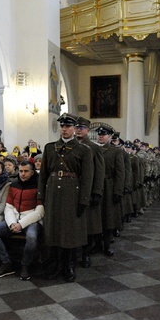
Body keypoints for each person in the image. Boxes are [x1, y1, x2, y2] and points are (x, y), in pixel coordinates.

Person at [38, 113, 94, 282]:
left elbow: (87, 177)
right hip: (53, 192)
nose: (64, 129)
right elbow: (44, 175)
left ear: (74, 128)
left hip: (72, 192)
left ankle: (69, 265)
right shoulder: (49, 148)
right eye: (62, 126)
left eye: (68, 126)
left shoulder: (84, 150)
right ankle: (56, 264)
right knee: (54, 229)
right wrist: (41, 196)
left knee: (69, 231)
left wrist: (84, 199)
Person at [0, 161, 44, 280]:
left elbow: (39, 211)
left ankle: (25, 265)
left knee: (32, 237)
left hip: (31, 221)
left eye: (26, 171)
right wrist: (12, 223)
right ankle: (6, 262)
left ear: (32, 172)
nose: (22, 174)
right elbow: (9, 207)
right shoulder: (14, 184)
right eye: (21, 171)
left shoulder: (39, 185)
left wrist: (21, 224)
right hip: (14, 219)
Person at [75, 117, 105, 267]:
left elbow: (99, 172)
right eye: (77, 127)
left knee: (89, 225)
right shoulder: (71, 146)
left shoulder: (94, 148)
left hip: (89, 190)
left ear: (87, 130)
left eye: (82, 128)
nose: (79, 130)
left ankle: (86, 254)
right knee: (75, 225)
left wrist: (97, 192)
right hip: (73, 192)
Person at [95, 123, 124, 257]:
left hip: (109, 186)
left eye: (104, 135)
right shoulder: (92, 149)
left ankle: (106, 245)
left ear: (110, 136)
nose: (101, 137)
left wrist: (118, 191)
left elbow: (120, 173)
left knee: (108, 218)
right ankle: (95, 244)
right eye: (99, 134)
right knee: (95, 217)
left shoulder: (116, 151)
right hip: (94, 186)